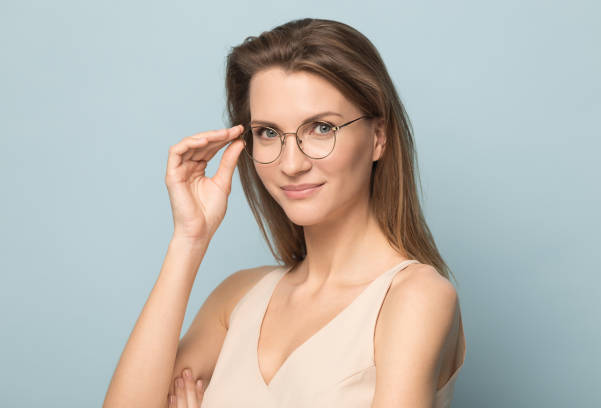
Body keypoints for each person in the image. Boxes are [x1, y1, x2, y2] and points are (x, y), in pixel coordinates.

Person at [103, 17, 466, 408]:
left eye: (322, 128)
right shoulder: (237, 297)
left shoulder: (414, 298)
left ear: (378, 137)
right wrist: (189, 239)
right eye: (269, 133)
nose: (291, 164)